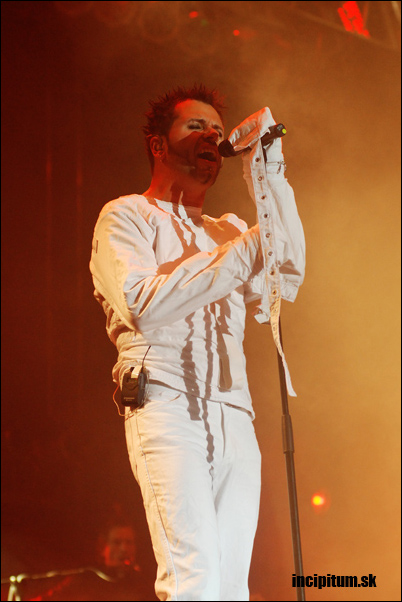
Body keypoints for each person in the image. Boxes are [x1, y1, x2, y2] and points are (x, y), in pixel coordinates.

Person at [89, 84, 305, 601]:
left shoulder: (226, 230)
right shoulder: (125, 216)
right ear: (158, 145)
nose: (210, 134)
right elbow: (142, 304)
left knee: (230, 588)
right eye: (195, 126)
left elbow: (286, 272)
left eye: (216, 129)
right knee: (195, 579)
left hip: (235, 413)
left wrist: (269, 172)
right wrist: (247, 247)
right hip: (165, 404)